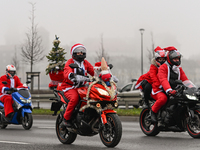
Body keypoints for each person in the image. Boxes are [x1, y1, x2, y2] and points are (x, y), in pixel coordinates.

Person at [151, 46, 188, 122]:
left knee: (183, 100)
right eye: (175, 59)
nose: (176, 60)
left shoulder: (178, 68)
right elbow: (163, 80)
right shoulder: (163, 67)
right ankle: (153, 112)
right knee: (163, 99)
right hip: (160, 89)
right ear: (170, 59)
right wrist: (169, 90)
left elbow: (185, 79)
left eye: (178, 58)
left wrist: (192, 87)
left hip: (174, 90)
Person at [60, 43, 94, 127]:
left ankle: (88, 115)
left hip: (82, 87)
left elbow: (93, 71)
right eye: (78, 52)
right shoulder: (69, 62)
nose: (81, 54)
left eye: (82, 52)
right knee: (74, 98)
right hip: (69, 87)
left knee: (92, 96)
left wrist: (102, 74)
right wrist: (71, 75)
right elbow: (67, 71)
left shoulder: (85, 63)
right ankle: (66, 119)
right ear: (73, 53)